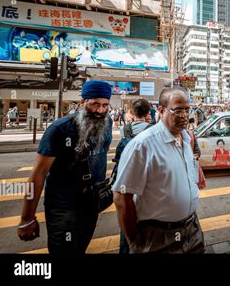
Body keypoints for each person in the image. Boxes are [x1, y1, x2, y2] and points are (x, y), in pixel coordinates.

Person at [17, 80, 113, 254]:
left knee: (80, 249)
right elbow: (38, 174)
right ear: (82, 102)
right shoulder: (59, 129)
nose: (100, 110)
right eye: (95, 104)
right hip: (63, 207)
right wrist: (26, 218)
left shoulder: (107, 124)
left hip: (92, 204)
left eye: (105, 105)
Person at [112, 87, 205, 254]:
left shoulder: (185, 138)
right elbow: (121, 197)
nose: (184, 115)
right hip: (157, 237)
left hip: (192, 230)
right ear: (161, 111)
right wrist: (135, 242)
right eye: (177, 110)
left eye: (187, 109)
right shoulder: (143, 145)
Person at [117, 98, 153, 254]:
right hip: (145, 180)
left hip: (126, 178)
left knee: (127, 213)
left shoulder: (124, 130)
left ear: (131, 112)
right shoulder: (153, 130)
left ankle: (128, 247)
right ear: (148, 113)